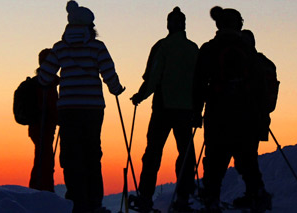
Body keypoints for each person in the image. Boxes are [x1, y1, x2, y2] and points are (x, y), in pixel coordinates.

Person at [36, 1, 124, 212]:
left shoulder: (59, 47)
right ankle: (94, 202)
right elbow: (109, 74)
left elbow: (44, 77)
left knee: (70, 155)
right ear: (89, 26)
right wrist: (116, 88)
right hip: (93, 108)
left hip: (67, 108)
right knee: (92, 153)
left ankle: (76, 201)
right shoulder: (97, 47)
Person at [192, 7, 271, 212]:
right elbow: (260, 85)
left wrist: (195, 112)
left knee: (215, 160)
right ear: (239, 25)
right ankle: (258, 195)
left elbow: (199, 83)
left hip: (217, 112)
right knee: (247, 159)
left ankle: (212, 199)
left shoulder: (209, 49)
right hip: (246, 113)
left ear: (219, 25)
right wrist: (262, 116)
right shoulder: (248, 50)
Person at [129, 7, 199, 213]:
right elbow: (200, 80)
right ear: (184, 25)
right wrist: (198, 108)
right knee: (185, 153)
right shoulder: (193, 48)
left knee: (153, 152)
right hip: (186, 109)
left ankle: (145, 197)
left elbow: (153, 76)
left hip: (163, 107)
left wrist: (140, 96)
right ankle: (184, 198)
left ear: (169, 24)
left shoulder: (162, 46)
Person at [28, 48, 59, 192]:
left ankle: (40, 188)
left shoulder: (42, 82)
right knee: (45, 159)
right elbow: (49, 106)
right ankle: (43, 190)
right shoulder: (46, 84)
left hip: (40, 127)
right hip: (42, 127)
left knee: (43, 158)